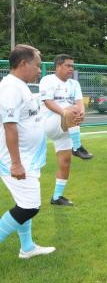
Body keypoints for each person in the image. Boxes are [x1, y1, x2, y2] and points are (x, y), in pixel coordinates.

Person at [0, 44, 55, 259]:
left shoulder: (21, 86)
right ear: (23, 63)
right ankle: (27, 247)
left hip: (29, 158)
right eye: (37, 66)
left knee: (24, 203)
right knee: (29, 207)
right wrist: (16, 163)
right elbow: (9, 126)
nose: (40, 70)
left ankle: (27, 248)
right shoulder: (10, 88)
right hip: (15, 160)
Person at [39, 54, 86, 206]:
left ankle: (57, 197)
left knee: (65, 162)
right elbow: (48, 102)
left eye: (72, 66)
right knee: (72, 109)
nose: (71, 69)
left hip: (67, 126)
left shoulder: (74, 84)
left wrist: (81, 114)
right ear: (58, 66)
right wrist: (66, 112)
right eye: (68, 65)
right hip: (50, 122)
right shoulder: (48, 80)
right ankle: (77, 147)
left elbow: (80, 103)